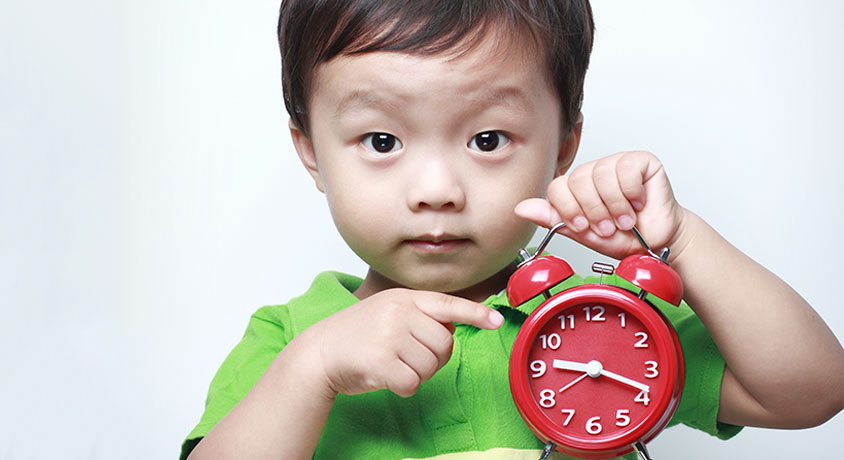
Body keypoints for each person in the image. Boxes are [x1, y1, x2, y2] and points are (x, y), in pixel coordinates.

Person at [182, 1, 843, 459]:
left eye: (488, 138)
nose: (436, 190)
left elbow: (815, 389)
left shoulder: (601, 324)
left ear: (563, 146)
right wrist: (311, 373)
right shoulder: (291, 340)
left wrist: (684, 242)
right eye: (382, 140)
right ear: (311, 154)